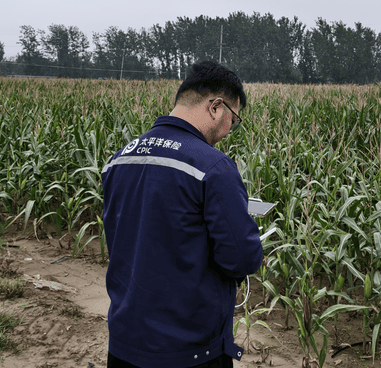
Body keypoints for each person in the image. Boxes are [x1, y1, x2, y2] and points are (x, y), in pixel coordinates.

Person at [102, 60, 263, 368]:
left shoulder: (118, 160)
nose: (230, 130)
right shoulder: (212, 166)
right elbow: (242, 257)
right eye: (234, 118)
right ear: (216, 107)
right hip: (189, 353)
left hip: (124, 345)